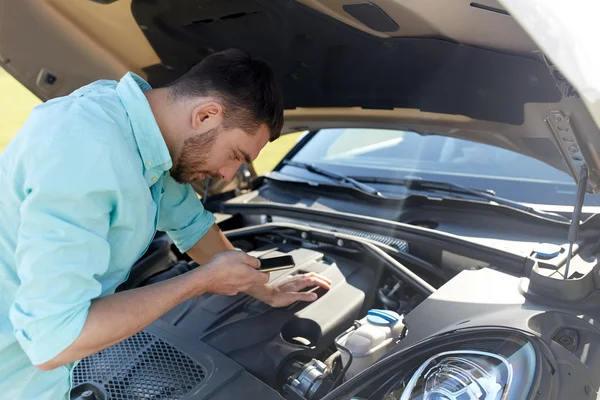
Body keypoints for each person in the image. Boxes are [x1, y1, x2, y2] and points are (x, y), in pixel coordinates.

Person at [0, 49, 332, 399]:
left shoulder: (144, 132)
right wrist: (201, 281)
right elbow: (54, 340)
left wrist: (263, 288)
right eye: (236, 155)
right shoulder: (88, 152)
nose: (227, 174)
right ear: (205, 115)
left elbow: (193, 225)